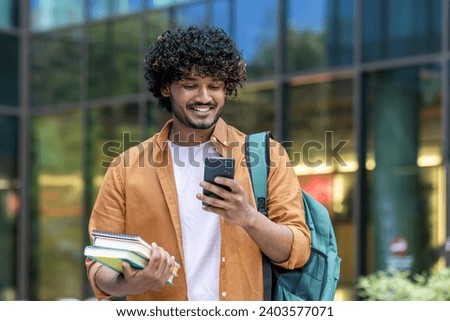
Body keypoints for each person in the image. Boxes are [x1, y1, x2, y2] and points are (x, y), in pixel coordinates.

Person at [85, 25, 311, 301]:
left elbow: (297, 252)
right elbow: (98, 266)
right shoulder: (126, 168)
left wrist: (248, 217)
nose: (204, 97)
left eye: (214, 86)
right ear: (166, 87)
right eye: (191, 85)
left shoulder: (268, 156)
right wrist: (131, 283)